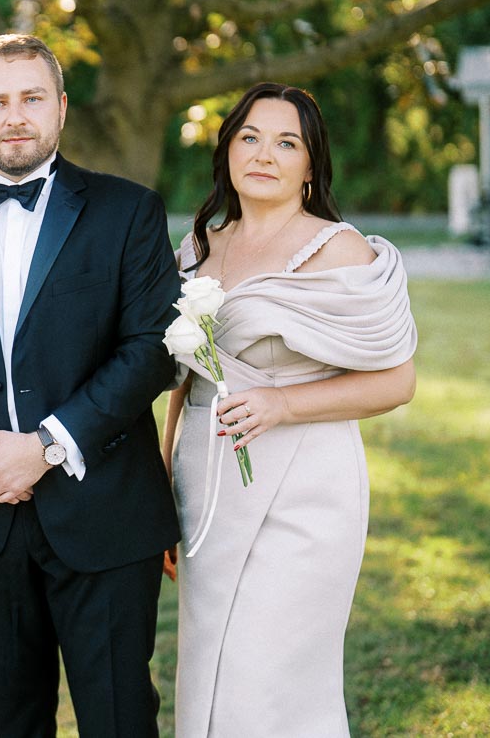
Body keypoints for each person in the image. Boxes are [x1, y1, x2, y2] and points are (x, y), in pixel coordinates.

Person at [0, 34, 181, 736]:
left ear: (60, 108)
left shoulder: (130, 212)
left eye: (31, 98)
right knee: (9, 721)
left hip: (107, 512)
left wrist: (48, 445)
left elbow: (151, 349)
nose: (15, 116)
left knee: (119, 717)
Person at [163, 82, 417, 737]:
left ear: (311, 164)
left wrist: (283, 402)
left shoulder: (339, 251)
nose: (264, 154)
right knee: (208, 665)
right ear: (226, 152)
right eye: (249, 137)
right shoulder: (197, 249)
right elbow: (182, 383)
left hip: (306, 488)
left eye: (287, 142)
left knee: (267, 678)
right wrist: (161, 484)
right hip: (208, 485)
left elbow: (396, 381)